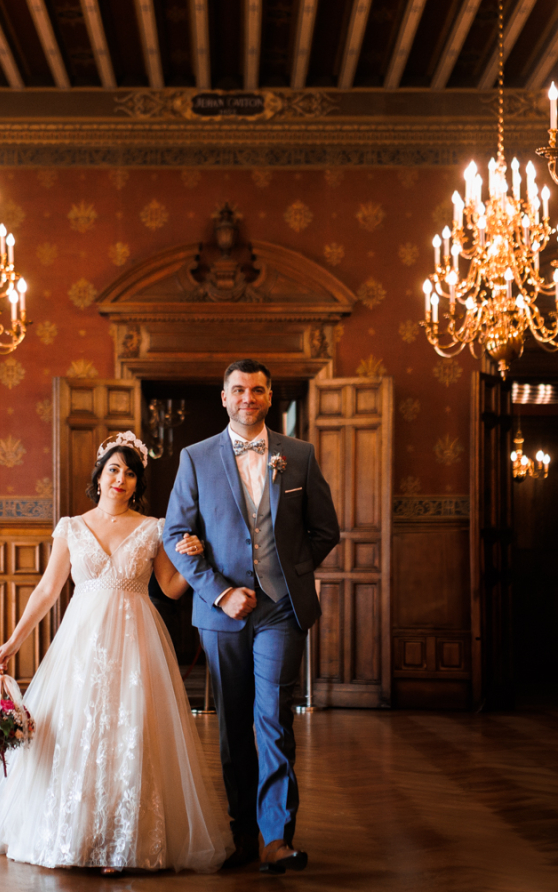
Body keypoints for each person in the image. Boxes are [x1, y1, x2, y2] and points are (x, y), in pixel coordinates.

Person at [0, 432, 235, 874]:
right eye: (114, 469)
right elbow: (48, 589)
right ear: (99, 477)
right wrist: (14, 640)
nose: (121, 479)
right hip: (82, 640)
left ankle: (122, 841)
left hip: (136, 639)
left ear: (138, 483)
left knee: (129, 732)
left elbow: (170, 589)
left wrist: (196, 556)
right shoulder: (71, 527)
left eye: (131, 473)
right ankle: (74, 835)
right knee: (76, 731)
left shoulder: (153, 528)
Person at [162, 359, 341, 874]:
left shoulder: (299, 456)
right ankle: (242, 831)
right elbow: (176, 534)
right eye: (238, 390)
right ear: (224, 397)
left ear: (268, 396)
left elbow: (324, 530)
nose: (248, 398)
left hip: (280, 610)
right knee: (234, 725)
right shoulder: (195, 458)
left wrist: (290, 575)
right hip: (222, 614)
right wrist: (219, 593)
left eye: (257, 390)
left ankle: (275, 838)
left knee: (274, 718)